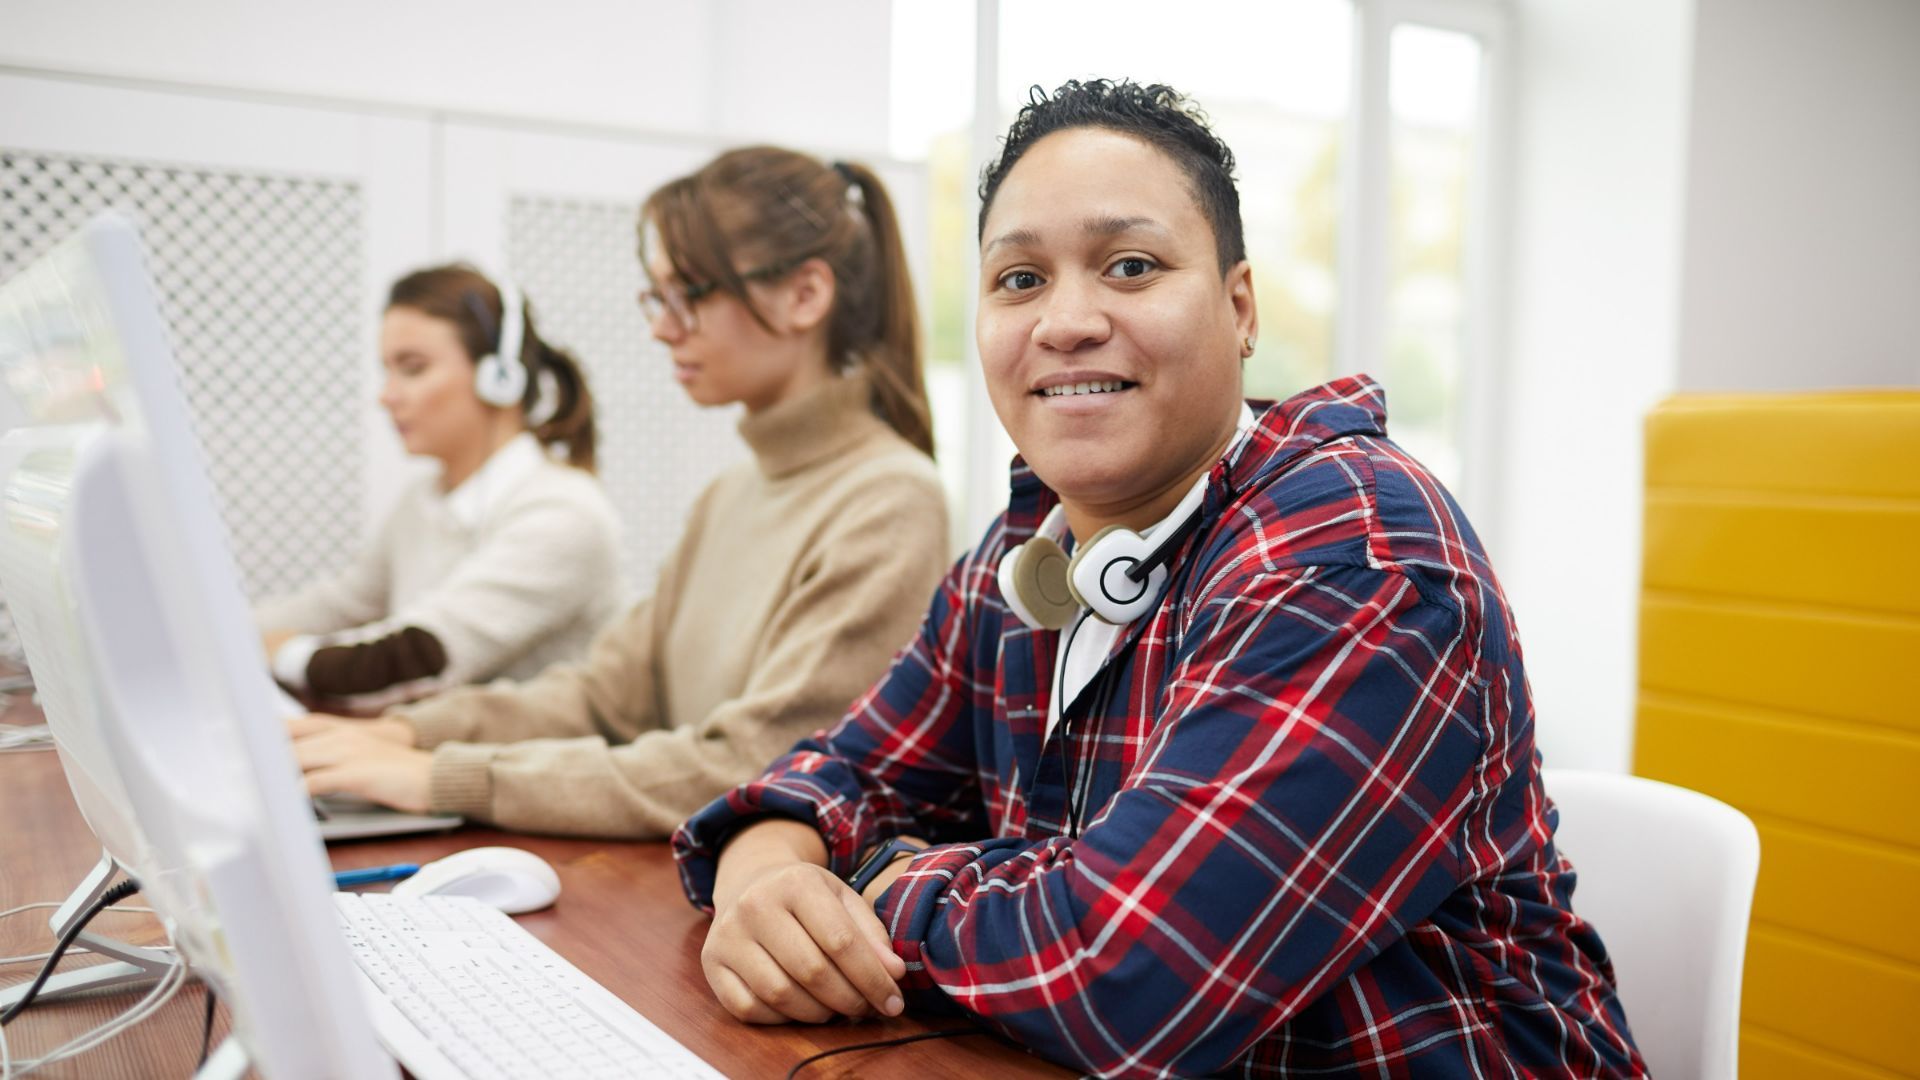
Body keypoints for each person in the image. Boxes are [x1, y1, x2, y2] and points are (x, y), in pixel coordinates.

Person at [672, 81, 1647, 1078]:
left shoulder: (1354, 554)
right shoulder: (1026, 558)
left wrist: (874, 880)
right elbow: (846, 773)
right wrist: (764, 877)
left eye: (1130, 266)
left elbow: (1126, 975)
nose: (1065, 321)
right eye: (1019, 279)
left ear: (1239, 307)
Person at [286, 146, 951, 839]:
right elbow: (605, 695)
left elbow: (755, 764)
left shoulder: (890, 500)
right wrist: (408, 733)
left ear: (806, 296)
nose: (661, 327)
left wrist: (446, 776)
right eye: (657, 298)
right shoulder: (730, 493)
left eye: (689, 295)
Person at [257, 265, 619, 712]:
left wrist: (282, 654)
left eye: (413, 368)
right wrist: (221, 631)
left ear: (498, 378)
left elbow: (415, 658)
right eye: (387, 371)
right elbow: (339, 605)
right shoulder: (423, 501)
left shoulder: (564, 514)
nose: (386, 395)